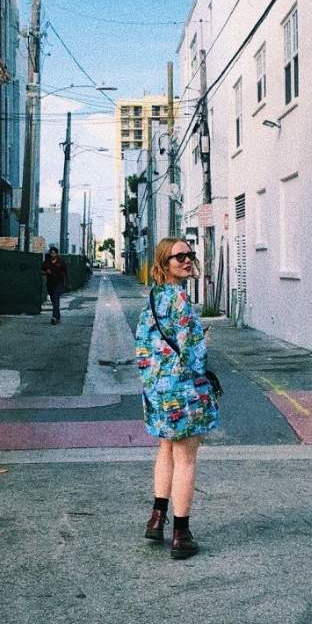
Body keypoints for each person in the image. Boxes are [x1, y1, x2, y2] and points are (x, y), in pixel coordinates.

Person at [135, 237, 220, 559]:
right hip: (183, 390)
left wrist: (155, 380)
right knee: (186, 458)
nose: (186, 260)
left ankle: (157, 517)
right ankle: (181, 534)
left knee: (166, 448)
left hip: (157, 389)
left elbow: (143, 347)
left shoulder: (155, 298)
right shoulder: (181, 300)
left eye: (189, 254)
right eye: (177, 257)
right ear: (164, 264)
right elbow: (194, 354)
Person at [41, 246, 68, 325]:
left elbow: (66, 272)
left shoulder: (61, 262)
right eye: (51, 253)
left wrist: (68, 283)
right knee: (54, 300)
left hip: (59, 283)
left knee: (56, 299)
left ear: (56, 254)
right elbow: (41, 270)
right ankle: (58, 316)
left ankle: (54, 317)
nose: (52, 255)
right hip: (50, 284)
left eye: (54, 253)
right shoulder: (47, 262)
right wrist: (46, 272)